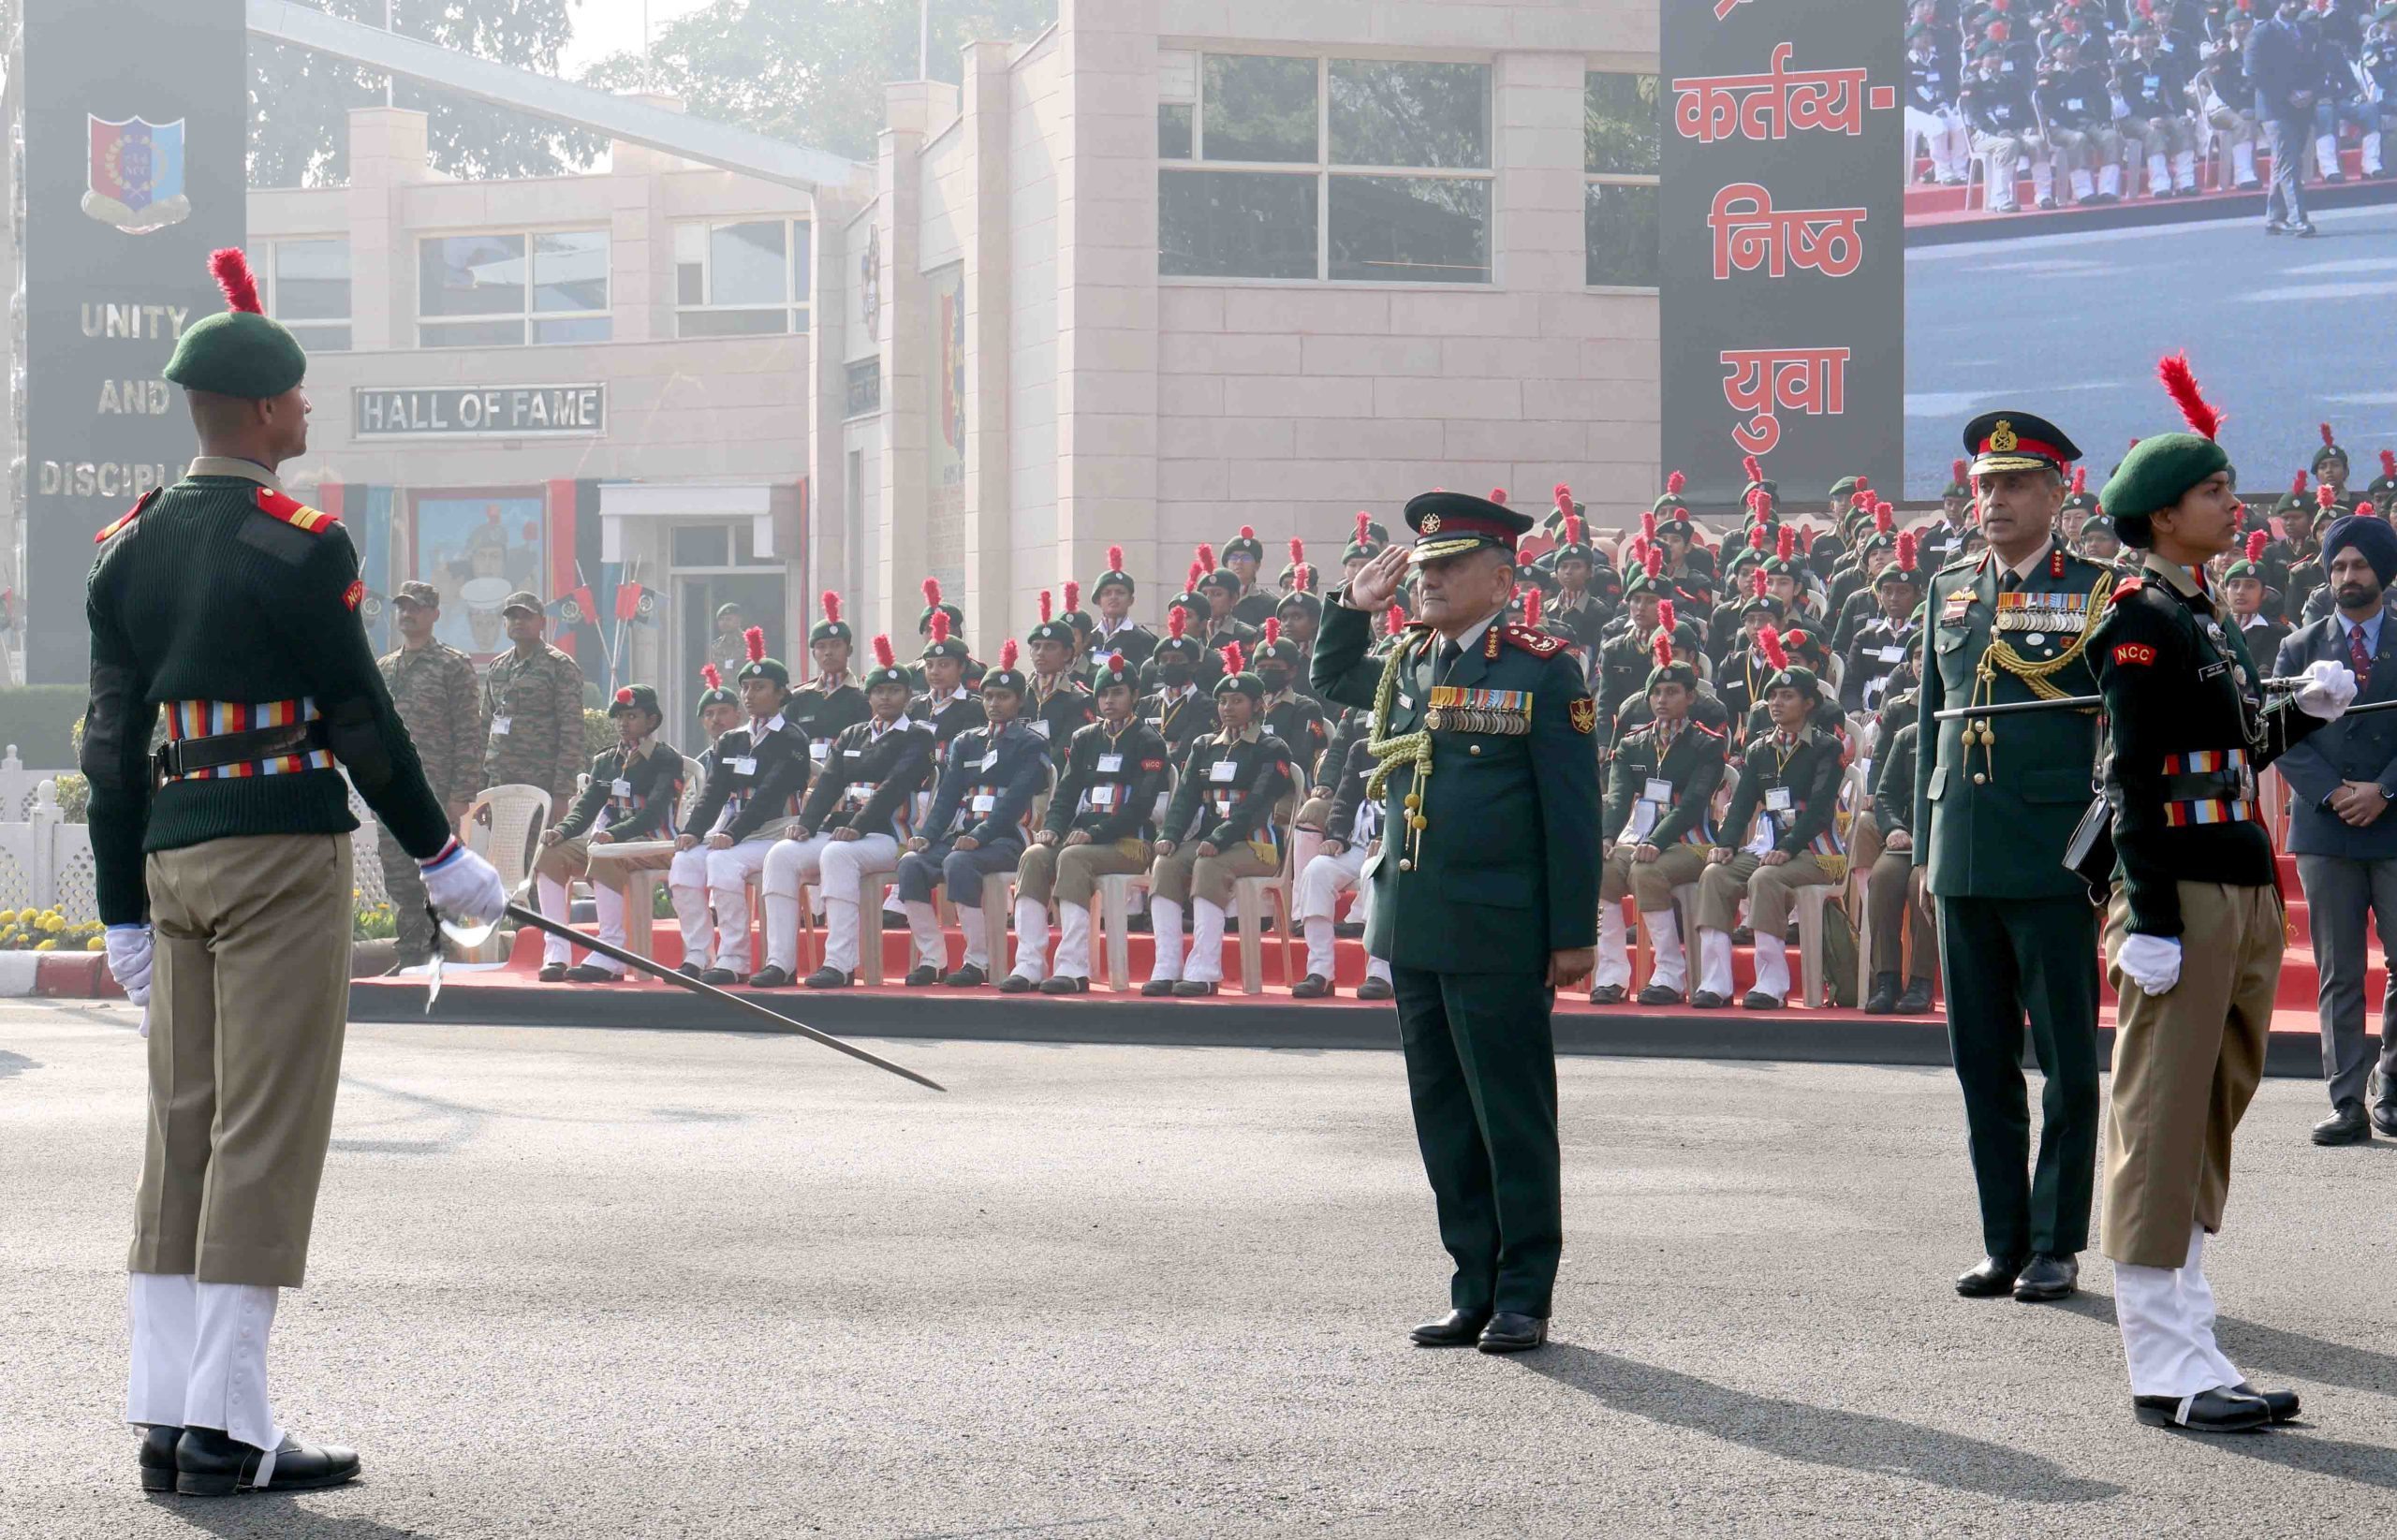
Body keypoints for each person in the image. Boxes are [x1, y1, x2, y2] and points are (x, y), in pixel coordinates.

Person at [92, 247, 505, 1496]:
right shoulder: (301, 545)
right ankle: (229, 1428)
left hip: (173, 857)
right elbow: (361, 718)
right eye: (301, 398)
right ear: (264, 410)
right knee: (263, 1131)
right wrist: (442, 857)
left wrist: (119, 907)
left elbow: (110, 747)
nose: (308, 413)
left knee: (182, 1129)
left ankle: (169, 1414)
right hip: (279, 855)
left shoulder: (128, 546)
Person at [2088, 356, 2353, 1431]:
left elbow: (2236, 753)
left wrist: (2310, 716)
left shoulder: (2203, 616)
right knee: (2160, 1116)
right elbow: (2131, 777)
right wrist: (2145, 916)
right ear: (2163, 513)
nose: (2232, 505)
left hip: (2236, 884)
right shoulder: (2142, 620)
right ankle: (2163, 1362)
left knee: (2207, 1113)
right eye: (2214, 491)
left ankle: (2192, 1336)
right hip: (2181, 895)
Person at [1312, 489, 1599, 1355]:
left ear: (1503, 578)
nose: (1428, 578)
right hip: (1416, 923)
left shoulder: (1543, 669)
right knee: (1441, 1113)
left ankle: (1523, 1292)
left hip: (1500, 926)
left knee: (1510, 1112)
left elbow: (1572, 812)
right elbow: (1332, 679)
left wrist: (1571, 932)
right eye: (1423, 565)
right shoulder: (1407, 660)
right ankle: (1470, 1284)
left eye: (1448, 565)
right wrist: (1347, 608)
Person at [1916, 409, 2116, 1305]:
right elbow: (1931, 725)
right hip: (1963, 854)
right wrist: (1928, 846)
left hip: (2053, 856)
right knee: (1980, 1060)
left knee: (2067, 1063)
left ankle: (2056, 1240)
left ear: (2056, 492)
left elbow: (2125, 731)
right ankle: (2003, 1238)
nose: (1994, 499)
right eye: (1984, 485)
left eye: (2014, 484)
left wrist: (2109, 854)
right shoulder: (1950, 589)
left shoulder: (2100, 590)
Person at [2272, 513, 2397, 1143]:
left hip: (2394, 820)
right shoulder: (2300, 647)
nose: (2349, 576)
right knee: (2338, 970)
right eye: (2339, 566)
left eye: (2360, 565)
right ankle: (2346, 1100)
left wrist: (2384, 788)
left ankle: (2391, 1086)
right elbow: (2280, 733)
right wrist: (2336, 792)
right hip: (2326, 828)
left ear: (2384, 571)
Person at [743, 636, 934, 990]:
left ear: (908, 697)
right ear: (869, 697)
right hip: (841, 832)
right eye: (879, 691)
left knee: (837, 855)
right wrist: (806, 825)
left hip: (888, 836)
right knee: (782, 855)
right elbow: (828, 783)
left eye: (895, 691)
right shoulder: (851, 735)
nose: (886, 698)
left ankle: (840, 963)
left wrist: (859, 827)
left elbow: (894, 787)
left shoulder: (918, 737)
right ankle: (779, 963)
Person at [1000, 650, 1170, 994]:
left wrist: (1093, 833)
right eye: (1104, 694)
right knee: (1034, 855)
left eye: (1118, 693)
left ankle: (1073, 967)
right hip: (1081, 838)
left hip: (1128, 841)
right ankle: (1029, 964)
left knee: (1071, 858)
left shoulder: (1149, 741)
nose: (1109, 701)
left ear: (1135, 696)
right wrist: (1053, 828)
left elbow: (1140, 806)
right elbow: (1065, 792)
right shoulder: (1085, 738)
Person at [1694, 629, 1846, 1011]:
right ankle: (1715, 983)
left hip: (1812, 848)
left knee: (1765, 877)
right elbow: (1742, 804)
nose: (1777, 703)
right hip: (1768, 844)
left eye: (1788, 696)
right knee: (1715, 875)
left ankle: (1772, 984)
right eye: (1774, 696)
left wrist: (1787, 848)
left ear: (1809, 703)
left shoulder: (1826, 747)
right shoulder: (1760, 748)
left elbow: (1821, 810)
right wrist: (1725, 844)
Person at [1143, 644, 1297, 997]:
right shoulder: (1204, 745)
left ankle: (1204, 969)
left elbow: (1257, 805)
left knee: (1208, 866)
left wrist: (1221, 838)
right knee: (1165, 863)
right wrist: (1170, 834)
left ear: (1257, 705)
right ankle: (1166, 965)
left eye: (1238, 701)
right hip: (1211, 841)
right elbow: (1184, 799)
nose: (1228, 708)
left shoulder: (1272, 748)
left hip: (1255, 844)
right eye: (1224, 701)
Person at [895, 642, 1050, 988]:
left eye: (1004, 697)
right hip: (963, 837)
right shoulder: (968, 742)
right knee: (911, 863)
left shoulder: (1030, 744)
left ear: (1019, 702)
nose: (995, 704)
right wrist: (927, 835)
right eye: (990, 696)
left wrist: (980, 835)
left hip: (1008, 838)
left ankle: (977, 961)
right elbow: (947, 797)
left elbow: (1014, 803)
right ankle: (933, 959)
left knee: (958, 863)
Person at [1592, 630, 1727, 1005]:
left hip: (1691, 841)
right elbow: (1618, 798)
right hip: (1638, 839)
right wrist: (1606, 837)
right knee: (1603, 866)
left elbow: (1694, 803)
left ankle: (1669, 972)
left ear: (1690, 697)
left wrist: (1655, 841)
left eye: (1672, 693)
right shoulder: (1632, 744)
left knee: (1646, 870)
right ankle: (1612, 974)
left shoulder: (1706, 743)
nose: (1662, 700)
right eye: (1656, 693)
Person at [669, 627, 811, 985]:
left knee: (721, 860)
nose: (749, 694)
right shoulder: (732, 739)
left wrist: (731, 835)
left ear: (781, 693)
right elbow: (714, 792)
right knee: (685, 862)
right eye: (745, 687)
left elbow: (768, 796)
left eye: (759, 688)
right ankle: (698, 954)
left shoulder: (791, 738)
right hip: (735, 833)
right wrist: (692, 831)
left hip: (775, 832)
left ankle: (734, 958)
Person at [529, 685, 684, 982]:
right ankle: (556, 952)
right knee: (549, 854)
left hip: (654, 842)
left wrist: (614, 834)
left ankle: (611, 951)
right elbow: (586, 807)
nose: (623, 723)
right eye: (619, 717)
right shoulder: (607, 761)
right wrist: (561, 830)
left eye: (632, 716)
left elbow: (652, 813)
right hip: (611, 843)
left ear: (652, 721)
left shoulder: (665, 759)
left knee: (604, 855)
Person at [374, 579, 481, 973]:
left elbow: (470, 733)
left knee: (438, 874)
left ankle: (442, 956)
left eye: (416, 607)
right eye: (402, 606)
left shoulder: (452, 665)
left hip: (437, 791)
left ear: (435, 614)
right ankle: (409, 955)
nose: (407, 613)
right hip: (393, 792)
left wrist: (461, 794)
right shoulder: (386, 667)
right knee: (399, 876)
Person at [1291, 731, 1396, 1001]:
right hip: (1358, 845)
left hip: (1395, 847)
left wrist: (1390, 840)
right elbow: (1344, 801)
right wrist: (1336, 836)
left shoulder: (1419, 745)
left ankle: (1380, 973)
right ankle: (1320, 972)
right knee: (1317, 870)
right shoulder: (1362, 749)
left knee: (1377, 870)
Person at [1862, 691, 1938, 1016]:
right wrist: (1893, 828)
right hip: (1905, 838)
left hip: (1943, 841)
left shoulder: (1968, 733)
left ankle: (1921, 982)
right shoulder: (1907, 736)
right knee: (1882, 881)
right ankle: (1887, 980)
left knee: (1919, 887)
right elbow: (1885, 794)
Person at [480, 588, 585, 813]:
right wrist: (480, 789)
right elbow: (485, 727)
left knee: (535, 848)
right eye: (512, 616)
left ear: (542, 623)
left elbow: (572, 731)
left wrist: (561, 793)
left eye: (527, 616)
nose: (519, 621)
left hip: (540, 783)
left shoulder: (560, 666)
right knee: (502, 847)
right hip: (500, 783)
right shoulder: (497, 666)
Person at [2249, 0, 2322, 234]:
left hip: (2303, 105)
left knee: (2286, 160)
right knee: (2288, 161)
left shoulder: (2309, 31)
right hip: (2275, 107)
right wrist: (2288, 94)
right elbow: (2255, 73)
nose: (2293, 5)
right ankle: (2298, 218)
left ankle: (2274, 216)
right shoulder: (2262, 33)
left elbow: (2322, 66)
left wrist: (2312, 91)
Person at [1960, 43, 2051, 213]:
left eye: (1999, 55)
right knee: (2007, 145)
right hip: (1985, 134)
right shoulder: (1972, 84)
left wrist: (2030, 126)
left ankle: (2044, 195)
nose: (1997, 59)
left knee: (2037, 142)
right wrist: (1997, 131)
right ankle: (1999, 199)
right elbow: (1976, 116)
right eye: (1991, 55)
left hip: (2014, 131)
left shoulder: (2012, 81)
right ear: (1980, 60)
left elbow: (2026, 109)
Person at [1841, 535, 1924, 715]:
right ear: (1879, 595)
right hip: (1864, 717)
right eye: (1887, 591)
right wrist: (1856, 713)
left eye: (1902, 591)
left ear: (1917, 595)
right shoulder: (1865, 638)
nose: (1894, 598)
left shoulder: (1922, 638)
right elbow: (1849, 686)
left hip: (1907, 716)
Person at [787, 591, 870, 755]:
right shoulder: (799, 698)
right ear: (813, 654)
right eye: (821, 646)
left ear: (849, 650)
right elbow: (787, 743)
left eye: (836, 645)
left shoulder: (863, 696)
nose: (828, 652)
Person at [1023, 591, 1097, 760]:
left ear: (1066, 654)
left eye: (1050, 647)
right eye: (1036, 646)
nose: (1041, 653)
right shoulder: (1019, 695)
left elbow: (1067, 754)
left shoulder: (1079, 700)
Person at [1138, 608, 1219, 757]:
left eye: (1177, 659)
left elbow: (1194, 748)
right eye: (1164, 660)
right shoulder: (1145, 705)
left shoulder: (1207, 706)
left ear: (1193, 665)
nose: (1169, 664)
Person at [1905, 22, 1972, 185]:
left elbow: (1950, 87)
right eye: (1920, 36)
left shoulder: (1939, 61)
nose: (1925, 39)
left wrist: (1953, 105)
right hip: (1913, 110)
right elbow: (1909, 95)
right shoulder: (1905, 64)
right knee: (1937, 127)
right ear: (1910, 42)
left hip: (1942, 106)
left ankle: (1959, 169)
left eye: (1928, 35)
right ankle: (1943, 172)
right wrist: (1932, 110)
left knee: (1961, 125)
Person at [1088, 547, 1155, 672]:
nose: (1113, 597)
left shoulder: (1142, 639)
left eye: (1120, 593)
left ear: (1131, 600)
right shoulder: (1089, 637)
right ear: (1098, 601)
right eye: (1107, 593)